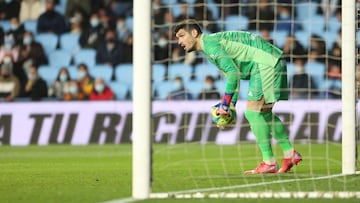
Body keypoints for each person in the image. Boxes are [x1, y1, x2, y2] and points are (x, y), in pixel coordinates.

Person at [174, 19, 302, 174]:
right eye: (177, 38)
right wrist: (230, 106)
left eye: (181, 36)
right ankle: (290, 154)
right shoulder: (212, 45)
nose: (179, 41)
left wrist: (225, 105)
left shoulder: (210, 45)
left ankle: (269, 162)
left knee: (252, 112)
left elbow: (233, 75)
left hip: (265, 63)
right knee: (264, 113)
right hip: (272, 59)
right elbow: (234, 76)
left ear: (194, 33)